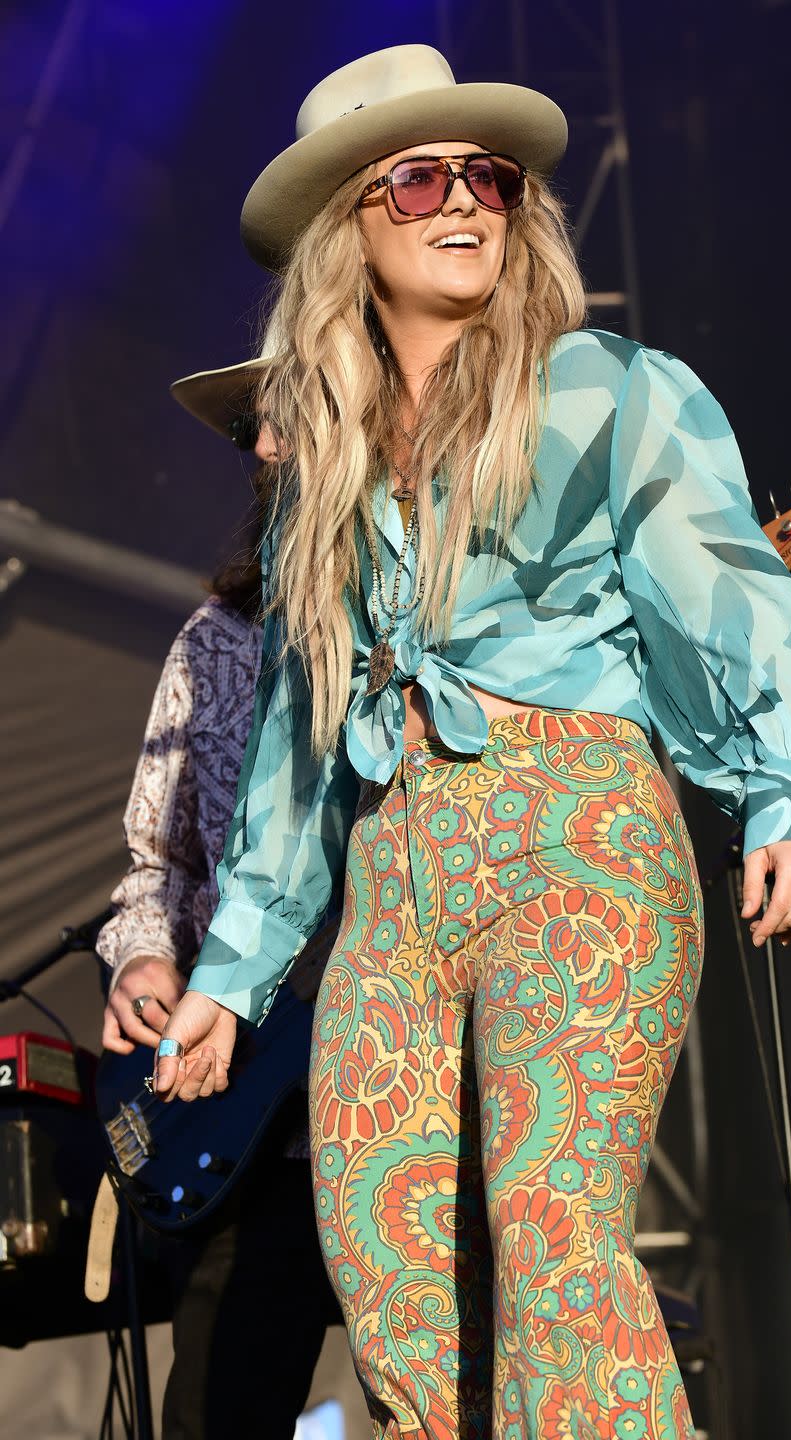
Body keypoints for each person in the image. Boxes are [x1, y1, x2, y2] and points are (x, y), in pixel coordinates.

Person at [153, 44, 791, 1440]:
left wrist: (779, 792)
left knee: (551, 1240)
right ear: (352, 222)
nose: (464, 200)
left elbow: (724, 588)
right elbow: (294, 734)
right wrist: (231, 974)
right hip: (393, 879)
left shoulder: (606, 386)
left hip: (573, 830)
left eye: (491, 176)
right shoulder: (322, 473)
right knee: (393, 1289)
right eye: (417, 178)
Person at [97, 350, 341, 1440]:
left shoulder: (454, 622)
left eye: (290, 417)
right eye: (257, 428)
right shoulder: (217, 641)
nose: (262, 447)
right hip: (246, 1125)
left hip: (414, 1102)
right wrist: (144, 955)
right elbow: (157, 865)